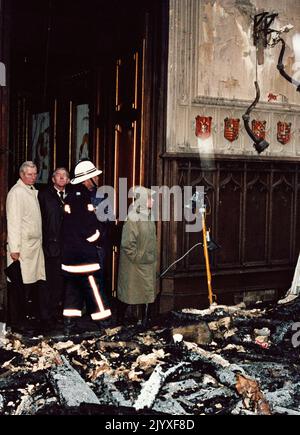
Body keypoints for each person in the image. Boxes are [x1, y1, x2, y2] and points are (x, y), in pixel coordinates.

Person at [61, 160, 112, 334]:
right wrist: (98, 237)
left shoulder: (70, 196)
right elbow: (90, 229)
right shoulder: (83, 198)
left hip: (70, 257)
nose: (98, 177)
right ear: (87, 179)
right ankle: (106, 324)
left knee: (73, 291)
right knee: (95, 290)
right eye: (94, 175)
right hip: (84, 256)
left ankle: (68, 325)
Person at [6, 161, 47, 333]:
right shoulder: (16, 193)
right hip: (22, 248)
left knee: (29, 285)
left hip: (33, 247)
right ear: (21, 175)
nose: (33, 177)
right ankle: (17, 323)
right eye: (29, 174)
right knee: (18, 286)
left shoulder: (30, 191)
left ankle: (25, 320)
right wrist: (14, 249)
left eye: (35, 173)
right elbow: (14, 222)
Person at [117, 186, 157, 328]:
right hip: (136, 265)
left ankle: (145, 322)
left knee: (146, 293)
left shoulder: (149, 215)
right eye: (150, 197)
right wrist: (137, 257)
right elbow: (127, 243)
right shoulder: (133, 217)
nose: (153, 200)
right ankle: (120, 321)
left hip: (147, 263)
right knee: (130, 294)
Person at [38, 167, 71, 326]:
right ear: (53, 179)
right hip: (48, 246)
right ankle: (45, 316)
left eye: (65, 176)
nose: (62, 178)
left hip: (65, 248)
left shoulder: (70, 196)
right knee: (47, 282)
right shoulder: (44, 195)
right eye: (58, 175)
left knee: (60, 283)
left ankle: (55, 312)